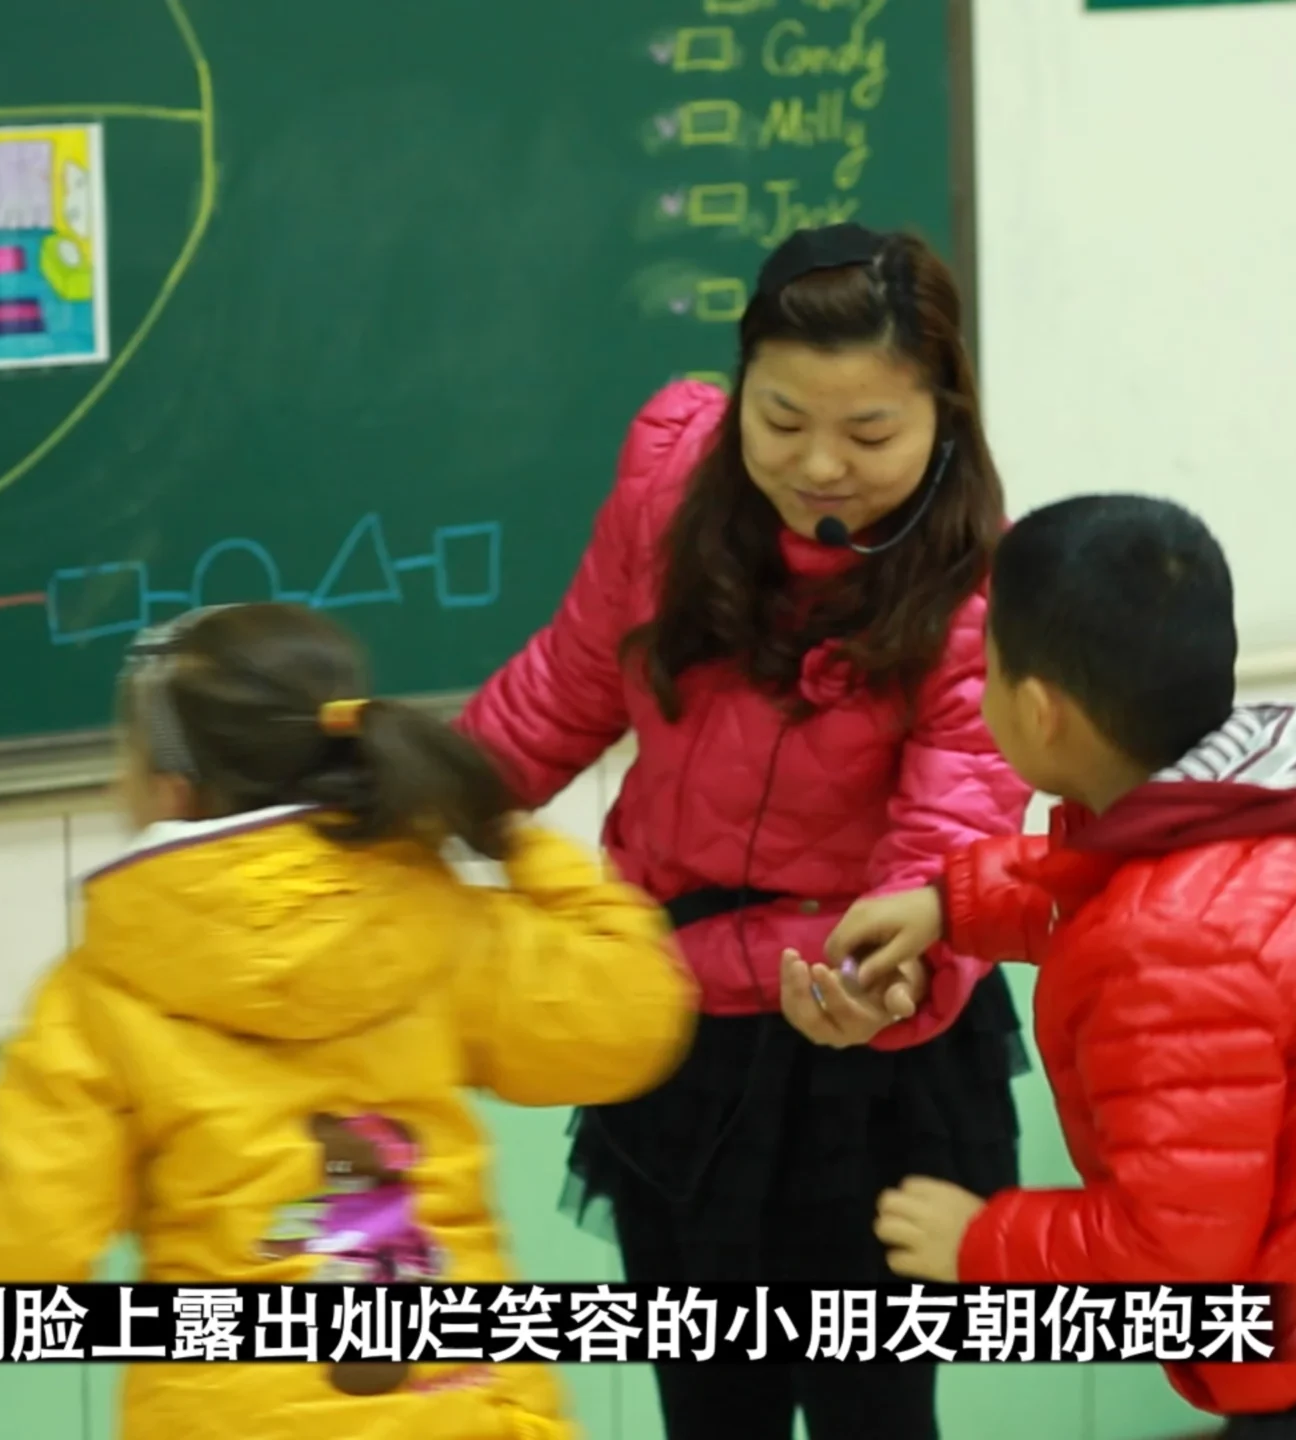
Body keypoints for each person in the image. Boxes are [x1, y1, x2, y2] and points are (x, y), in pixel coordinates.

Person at [457, 223, 1031, 1439]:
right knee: (709, 1411)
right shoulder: (670, 480)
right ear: (738, 392)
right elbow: (570, 682)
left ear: (943, 413)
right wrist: (417, 797)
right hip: (677, 1044)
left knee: (873, 1416)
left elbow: (941, 859)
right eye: (779, 421)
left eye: (870, 433)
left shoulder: (976, 586)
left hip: (866, 1064)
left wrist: (883, 976)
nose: (819, 465)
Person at [841, 496, 1296, 1439]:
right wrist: (950, 905)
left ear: (1041, 712)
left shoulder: (1169, 941)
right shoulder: (1264, 793)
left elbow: (1173, 1259)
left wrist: (980, 1243)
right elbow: (1107, 875)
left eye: (989, 670)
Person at [0, 602, 696, 1440]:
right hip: (463, 1409)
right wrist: (506, 837)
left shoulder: (101, 992)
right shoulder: (438, 921)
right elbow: (631, 1019)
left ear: (170, 789)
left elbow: (18, 1256)